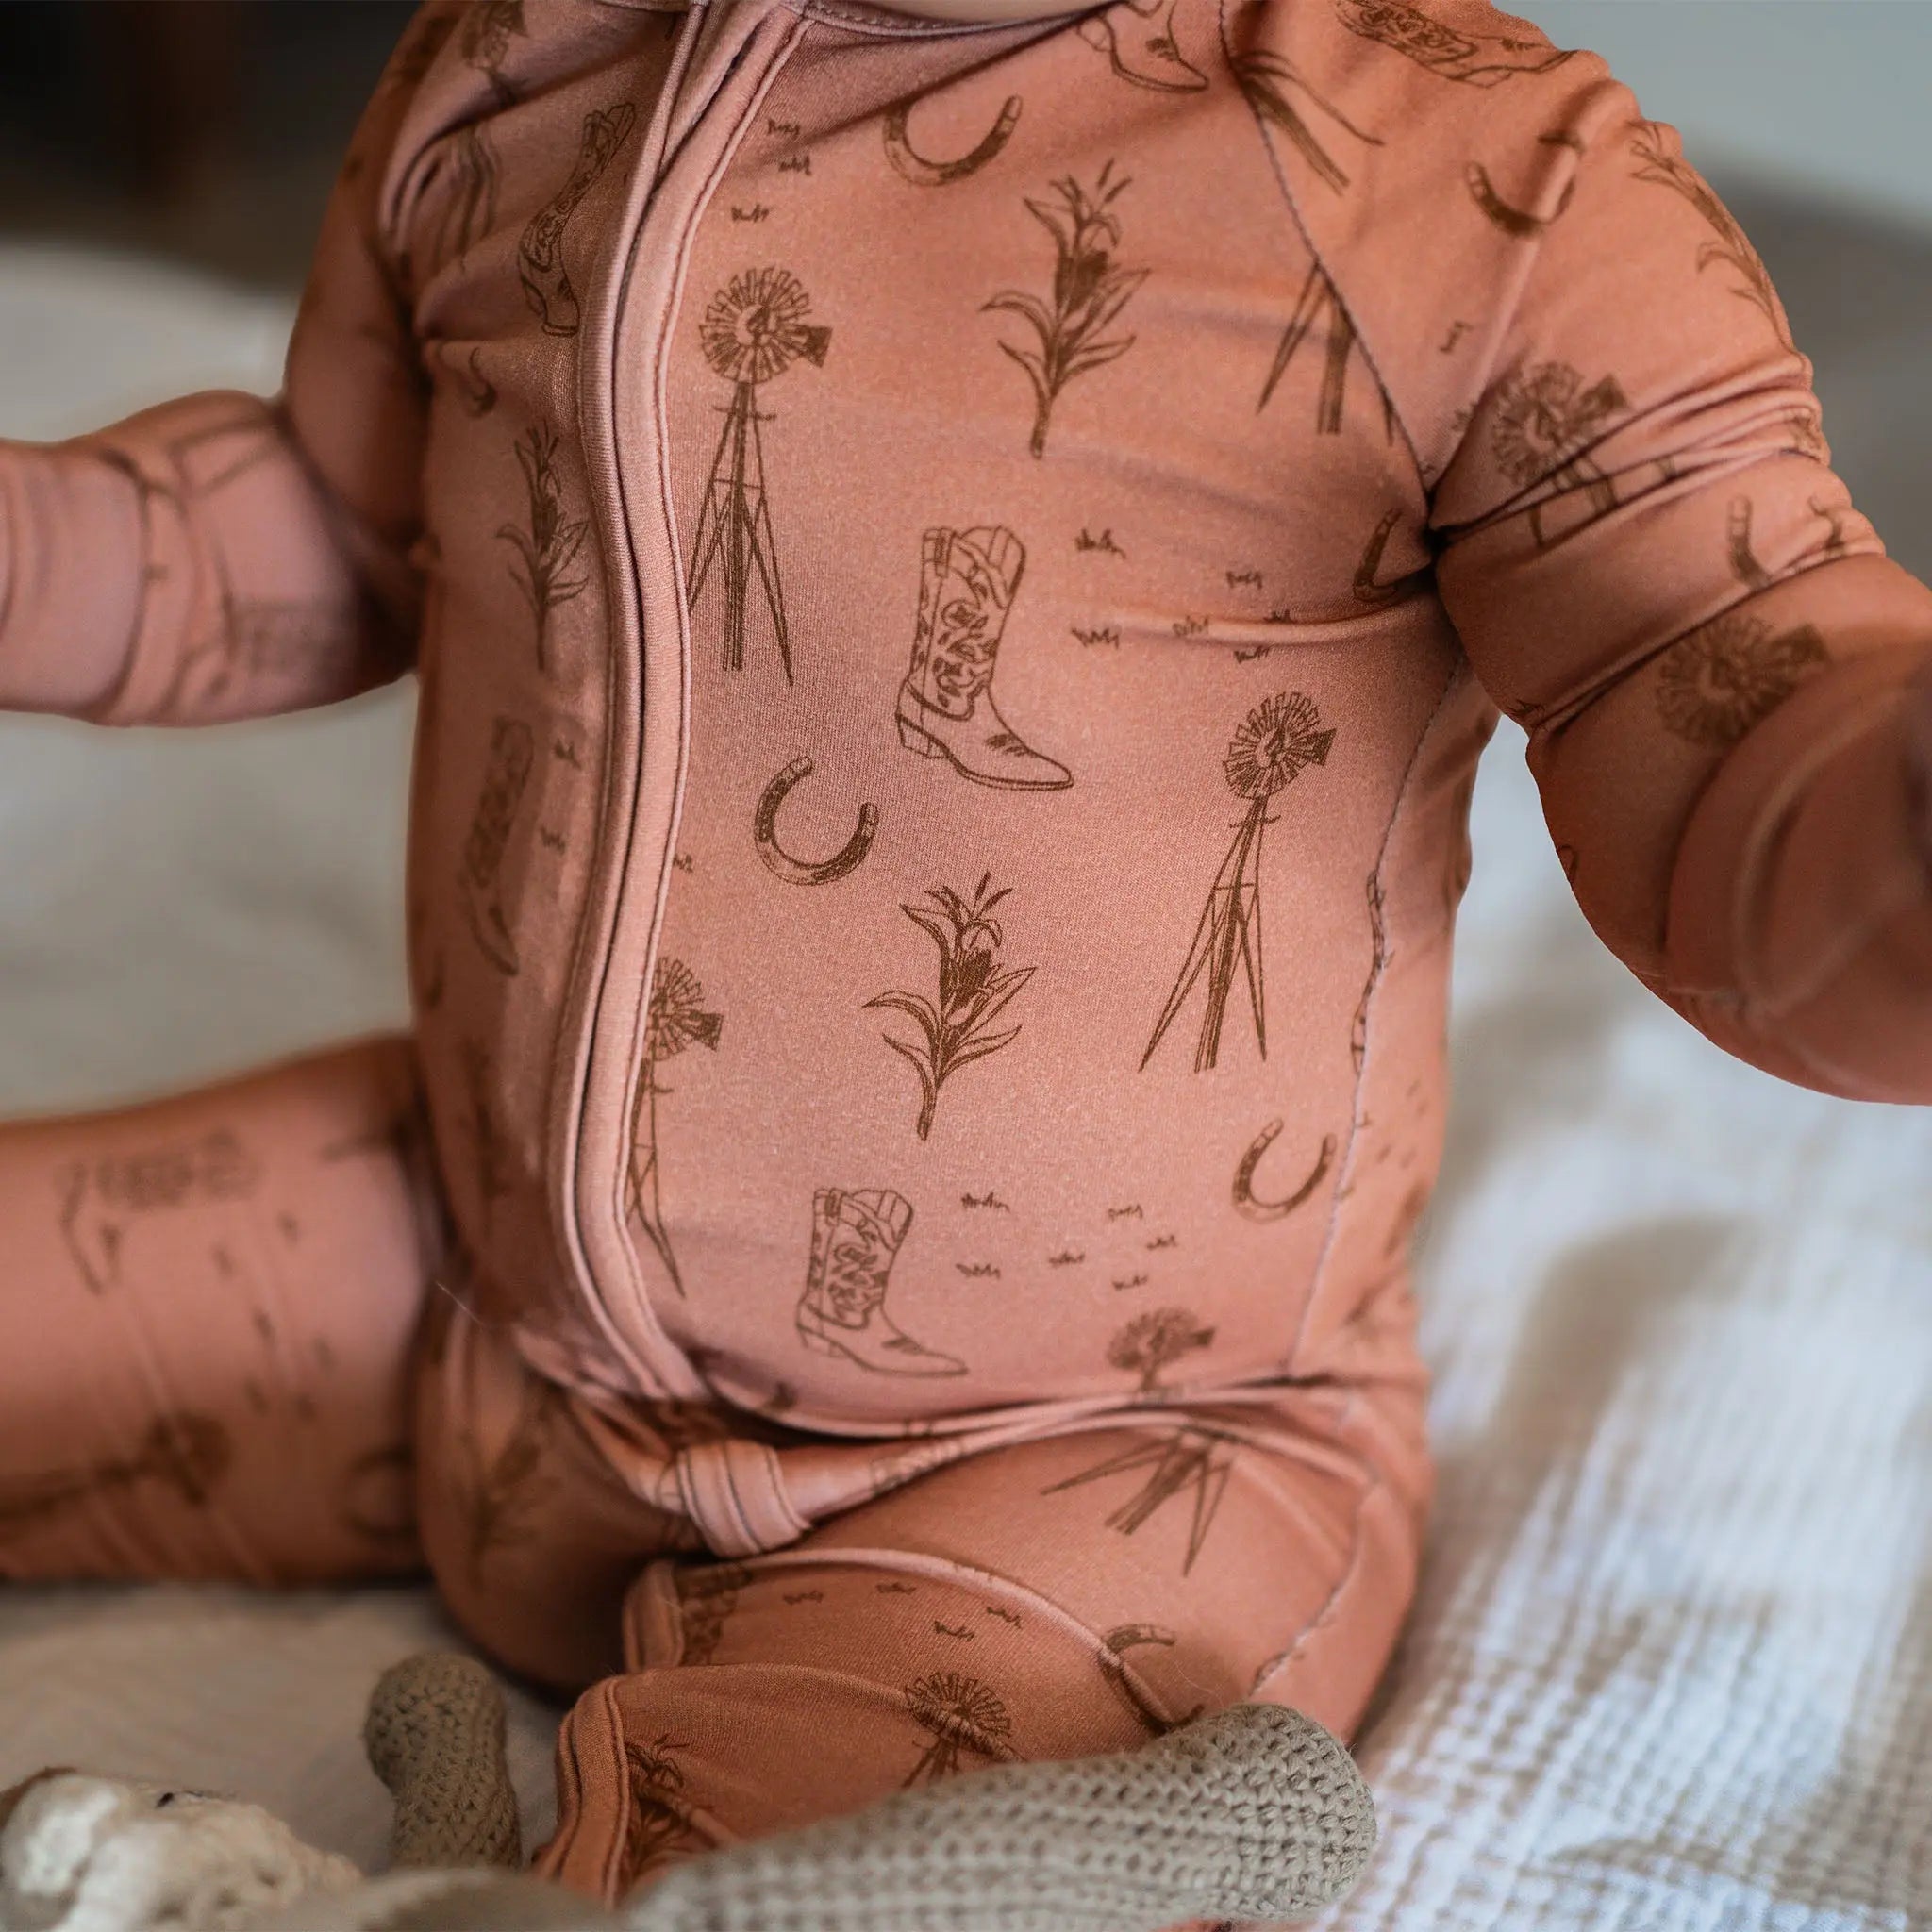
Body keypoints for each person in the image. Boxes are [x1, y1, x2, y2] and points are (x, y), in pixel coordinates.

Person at [3, 0, 1930, 1913]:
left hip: (1103, 1451)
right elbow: (340, 532)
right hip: (463, 1264)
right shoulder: (510, 58)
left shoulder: (1476, 177)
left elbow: (1736, 717)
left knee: (833, 1882)